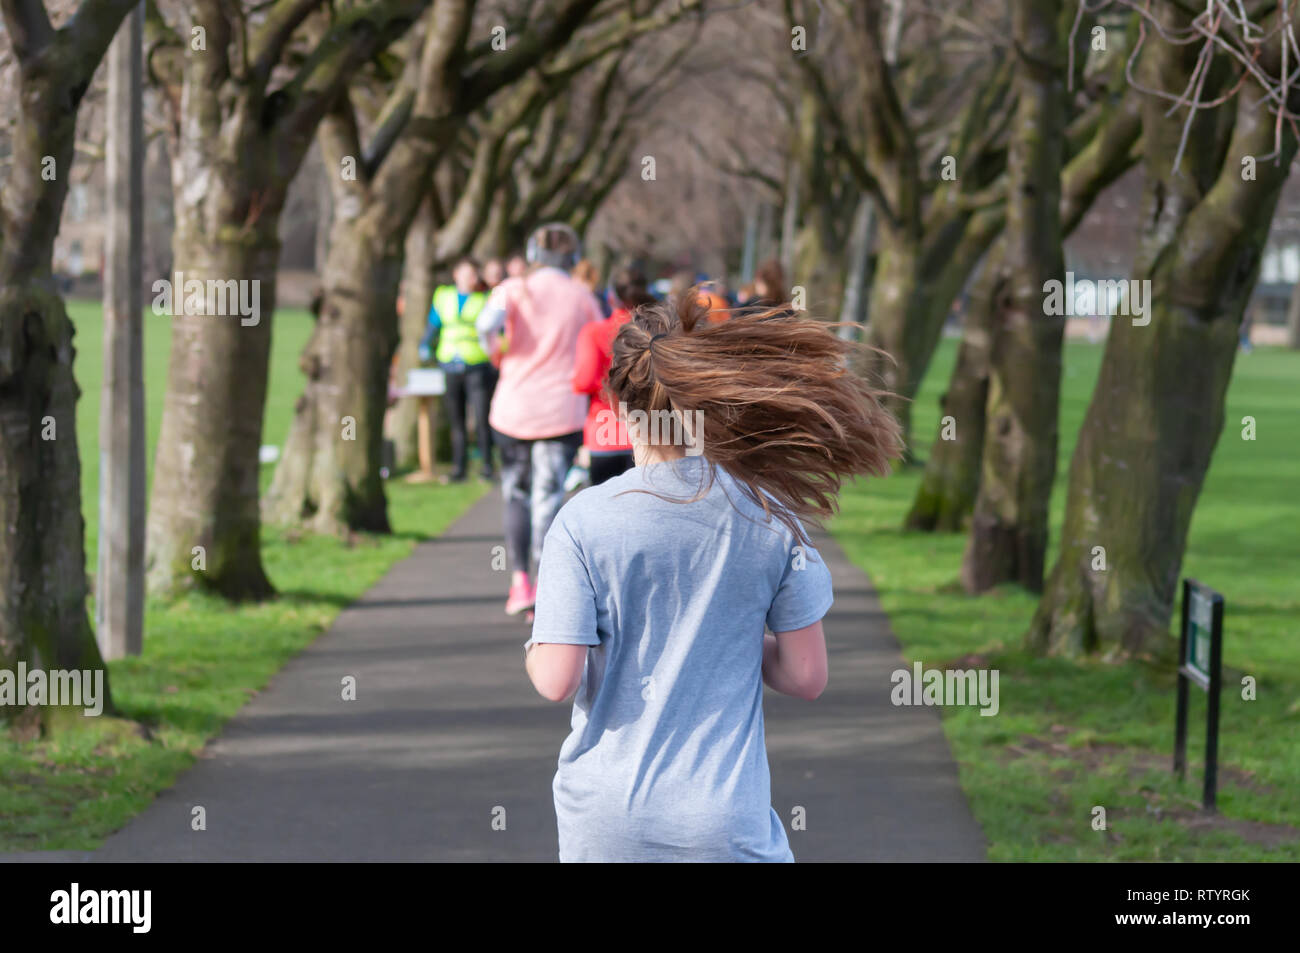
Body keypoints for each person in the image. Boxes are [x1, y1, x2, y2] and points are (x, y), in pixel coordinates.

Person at [523, 294, 903, 862]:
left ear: (621, 411)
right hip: (722, 820)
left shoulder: (582, 520)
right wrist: (725, 634)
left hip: (605, 820)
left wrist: (538, 640)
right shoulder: (769, 512)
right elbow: (805, 675)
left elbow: (556, 679)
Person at [477, 223, 601, 616]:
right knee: (548, 496)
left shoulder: (513, 288)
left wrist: (495, 352)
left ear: (533, 253)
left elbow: (485, 325)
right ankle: (546, 590)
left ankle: (519, 583)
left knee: (515, 490)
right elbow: (597, 337)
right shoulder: (581, 295)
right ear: (573, 256)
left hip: (513, 408)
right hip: (560, 410)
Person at [571, 264, 656, 485]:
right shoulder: (658, 332)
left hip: (605, 432)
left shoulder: (594, 333)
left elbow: (583, 382)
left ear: (611, 297)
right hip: (651, 436)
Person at [419, 257, 495, 483]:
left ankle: (487, 466)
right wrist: (424, 343)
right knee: (456, 419)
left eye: (473, 274)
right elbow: (434, 323)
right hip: (450, 362)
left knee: (481, 417)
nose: (470, 278)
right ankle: (459, 468)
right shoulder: (443, 296)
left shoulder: (485, 298)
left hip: (476, 364)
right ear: (456, 275)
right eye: (466, 273)